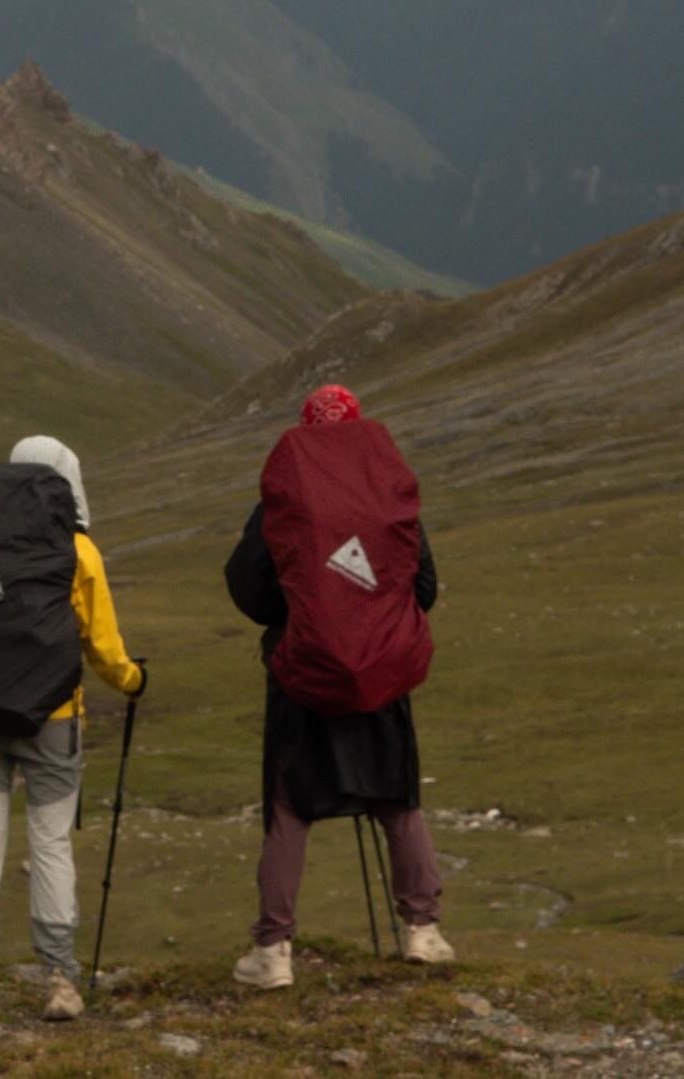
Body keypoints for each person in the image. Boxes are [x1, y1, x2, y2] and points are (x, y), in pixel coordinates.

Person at [223, 384, 453, 986]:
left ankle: (273, 952)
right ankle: (424, 931)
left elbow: (248, 587)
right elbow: (423, 586)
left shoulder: (283, 500)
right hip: (380, 672)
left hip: (303, 673)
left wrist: (302, 610)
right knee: (397, 800)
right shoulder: (388, 496)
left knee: (288, 808)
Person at [0, 434, 146, 1022]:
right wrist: (132, 680)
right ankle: (60, 981)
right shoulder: (77, 550)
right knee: (52, 845)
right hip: (53, 719)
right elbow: (103, 648)